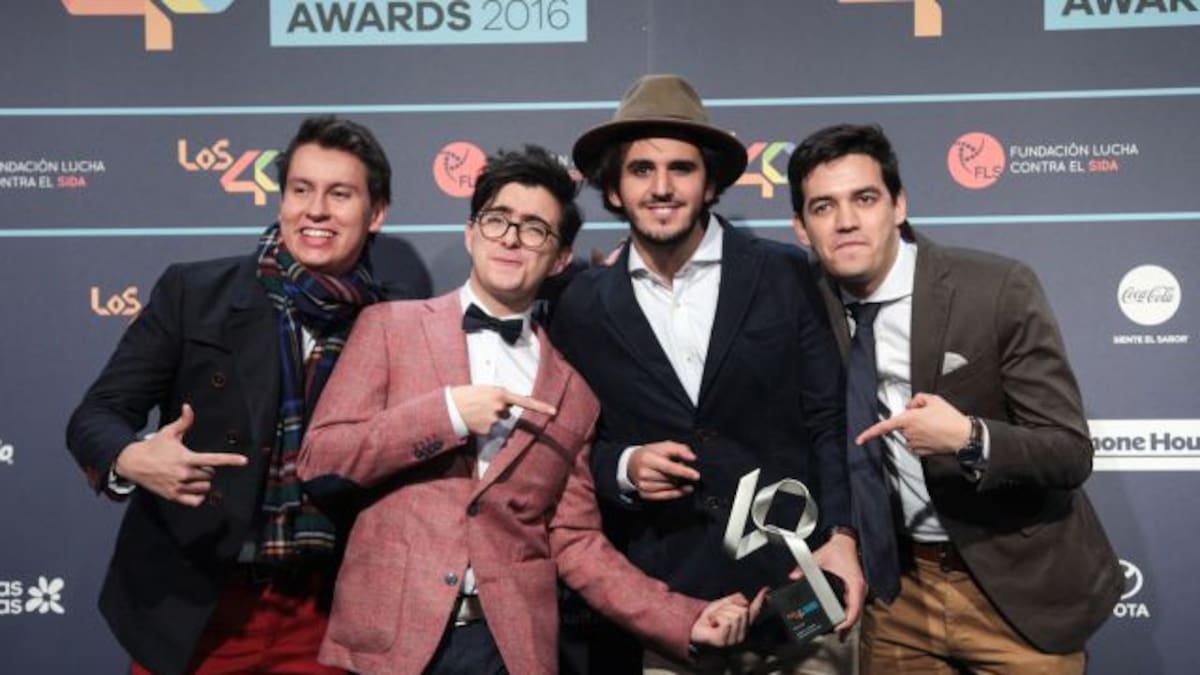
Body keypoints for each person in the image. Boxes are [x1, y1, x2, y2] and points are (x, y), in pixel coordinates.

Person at [297, 145, 761, 675]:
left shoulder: (572, 392)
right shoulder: (388, 328)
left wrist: (681, 618)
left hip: (507, 648)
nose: (512, 238)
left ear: (560, 258)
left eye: (536, 228)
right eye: (498, 220)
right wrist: (447, 413)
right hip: (389, 642)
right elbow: (321, 460)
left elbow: (576, 541)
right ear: (471, 233)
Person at [66, 115, 430, 675]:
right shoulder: (196, 293)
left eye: (340, 194)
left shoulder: (397, 324)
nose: (315, 210)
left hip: (328, 610)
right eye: (301, 190)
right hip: (196, 602)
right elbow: (97, 414)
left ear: (375, 212)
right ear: (282, 199)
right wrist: (132, 458)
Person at [550, 74, 865, 674]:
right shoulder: (580, 304)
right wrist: (623, 467)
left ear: (711, 182)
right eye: (641, 170)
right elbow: (569, 453)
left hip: (800, 590)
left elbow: (830, 420)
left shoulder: (787, 274)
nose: (661, 187)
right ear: (613, 188)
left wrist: (843, 535)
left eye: (681, 168)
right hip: (672, 612)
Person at [787, 123, 1122, 674]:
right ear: (801, 228)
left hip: (1016, 591)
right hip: (897, 594)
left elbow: (1069, 452)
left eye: (865, 199)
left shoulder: (995, 288)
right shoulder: (802, 299)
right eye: (823, 207)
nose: (846, 221)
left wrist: (970, 437)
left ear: (899, 205)